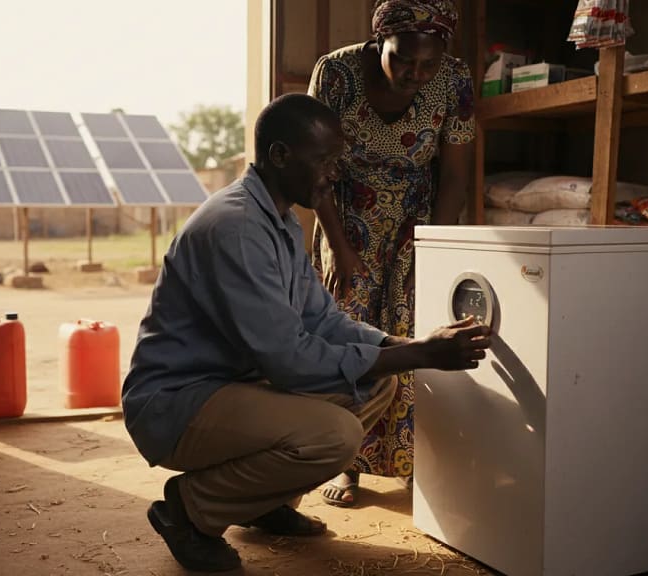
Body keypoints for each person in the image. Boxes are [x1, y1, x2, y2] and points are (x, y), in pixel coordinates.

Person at [121, 93, 490, 573]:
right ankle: (187, 511)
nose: (334, 174)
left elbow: (323, 319)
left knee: (378, 382)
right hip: (176, 402)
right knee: (333, 436)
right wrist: (420, 354)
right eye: (325, 160)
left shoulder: (277, 219)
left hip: (228, 384)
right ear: (279, 155)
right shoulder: (236, 228)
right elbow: (288, 359)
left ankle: (256, 502)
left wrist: (406, 347)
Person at [307, 0, 476, 507]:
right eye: (404, 59)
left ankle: (406, 459)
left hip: (415, 221)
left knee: (411, 333)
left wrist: (436, 250)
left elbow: (455, 176)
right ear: (382, 41)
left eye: (429, 64)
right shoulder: (335, 72)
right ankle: (347, 465)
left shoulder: (455, 79)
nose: (416, 74)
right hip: (347, 216)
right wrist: (337, 246)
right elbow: (314, 169)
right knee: (350, 335)